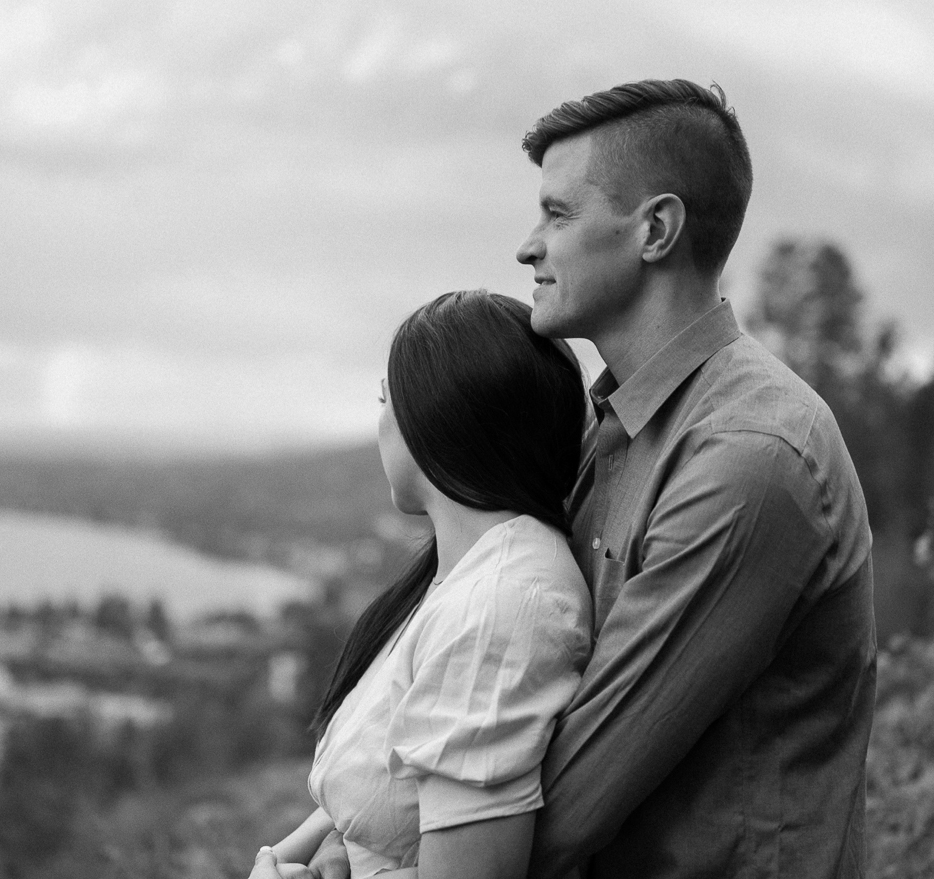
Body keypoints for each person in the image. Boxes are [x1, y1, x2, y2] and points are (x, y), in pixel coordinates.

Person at [515, 79, 877, 878]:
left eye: (558, 213)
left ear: (656, 229)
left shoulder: (752, 455)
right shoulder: (613, 431)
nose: (528, 245)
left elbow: (565, 803)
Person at [250, 290, 594, 879]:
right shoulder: (462, 579)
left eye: (386, 400)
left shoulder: (499, 612)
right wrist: (287, 856)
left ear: (432, 422)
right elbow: (378, 801)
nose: (379, 422)